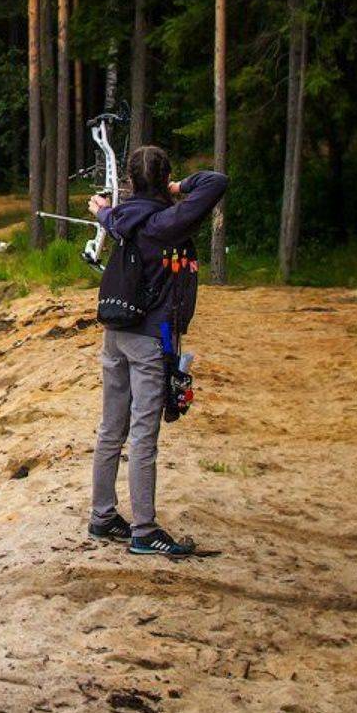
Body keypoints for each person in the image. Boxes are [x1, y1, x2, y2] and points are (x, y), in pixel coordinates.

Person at [85, 146, 228, 556]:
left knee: (112, 429)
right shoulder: (168, 222)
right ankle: (144, 531)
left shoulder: (118, 217)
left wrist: (104, 210)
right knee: (144, 435)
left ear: (129, 182)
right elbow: (215, 182)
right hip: (150, 337)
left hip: (115, 334)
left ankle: (102, 517)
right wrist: (178, 186)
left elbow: (108, 215)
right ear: (163, 178)